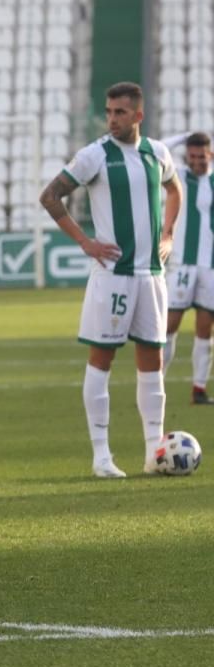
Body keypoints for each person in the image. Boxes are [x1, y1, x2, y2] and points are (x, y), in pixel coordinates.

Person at [40, 81, 183, 478]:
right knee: (101, 361)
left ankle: (154, 454)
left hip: (152, 276)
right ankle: (101, 456)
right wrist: (84, 241)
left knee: (152, 364)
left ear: (138, 115)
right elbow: (50, 196)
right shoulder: (95, 156)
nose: (112, 119)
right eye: (108, 111)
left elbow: (175, 190)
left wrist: (168, 233)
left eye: (120, 112)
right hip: (113, 278)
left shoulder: (158, 153)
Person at [161, 132, 214, 404]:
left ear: (210, 156)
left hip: (211, 267)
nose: (197, 162)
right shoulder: (178, 176)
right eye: (192, 157)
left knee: (206, 328)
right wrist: (183, 137)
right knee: (170, 325)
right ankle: (155, 385)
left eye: (202, 157)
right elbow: (157, 148)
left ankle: (199, 389)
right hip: (183, 264)